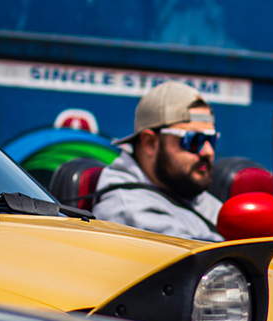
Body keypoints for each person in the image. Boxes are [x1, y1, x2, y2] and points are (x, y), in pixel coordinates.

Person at [92, 81, 224, 241]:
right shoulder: (129, 211)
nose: (208, 152)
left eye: (211, 140)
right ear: (150, 143)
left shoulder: (187, 190)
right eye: (194, 140)